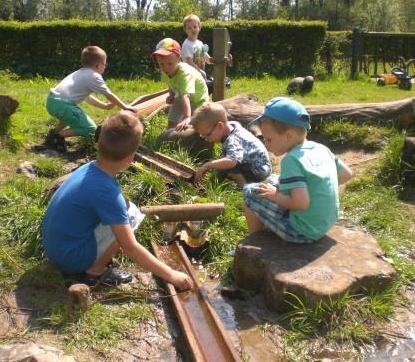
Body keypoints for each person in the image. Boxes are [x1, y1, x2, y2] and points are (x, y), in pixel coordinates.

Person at [42, 112, 194, 291]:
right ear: (130, 159)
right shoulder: (106, 190)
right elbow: (131, 248)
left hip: (55, 248)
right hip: (70, 259)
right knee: (132, 217)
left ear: (99, 144)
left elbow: (111, 201)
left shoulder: (89, 168)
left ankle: (100, 255)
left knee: (127, 209)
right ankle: (95, 271)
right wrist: (172, 275)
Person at [243, 97, 353, 243]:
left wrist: (275, 195)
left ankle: (256, 241)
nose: (266, 145)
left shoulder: (291, 160)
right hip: (325, 224)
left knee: (250, 191)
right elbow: (346, 174)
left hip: (301, 231)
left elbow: (301, 203)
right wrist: (317, 190)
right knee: (276, 179)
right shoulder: (321, 148)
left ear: (289, 136)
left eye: (269, 139)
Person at [45, 46, 136, 147]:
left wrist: (104, 106)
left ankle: (55, 131)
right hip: (63, 105)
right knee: (91, 129)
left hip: (52, 102)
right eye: (105, 64)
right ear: (99, 65)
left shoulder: (80, 72)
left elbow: (86, 97)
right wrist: (125, 106)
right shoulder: (94, 76)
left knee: (71, 114)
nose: (105, 66)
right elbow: (109, 95)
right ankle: (56, 136)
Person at [191, 102, 272, 186]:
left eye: (207, 134)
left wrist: (208, 165)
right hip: (257, 164)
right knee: (223, 165)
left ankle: (246, 188)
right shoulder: (231, 126)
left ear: (219, 126)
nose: (206, 138)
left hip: (259, 169)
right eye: (202, 135)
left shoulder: (233, 140)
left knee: (229, 167)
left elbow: (232, 161)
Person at [151, 38, 209, 132]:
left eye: (169, 63)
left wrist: (187, 117)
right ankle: (170, 135)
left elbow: (185, 96)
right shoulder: (165, 71)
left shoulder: (185, 74)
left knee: (193, 125)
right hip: (181, 96)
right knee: (172, 120)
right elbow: (170, 83)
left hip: (198, 100)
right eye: (161, 64)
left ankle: (188, 130)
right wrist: (171, 94)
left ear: (179, 59)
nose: (166, 67)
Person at [181, 14, 213, 79]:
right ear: (185, 30)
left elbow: (208, 60)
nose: (193, 29)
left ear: (199, 27)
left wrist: (219, 60)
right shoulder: (186, 44)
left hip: (199, 76)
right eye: (189, 28)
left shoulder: (200, 43)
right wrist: (200, 72)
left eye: (195, 27)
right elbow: (189, 63)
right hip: (190, 77)